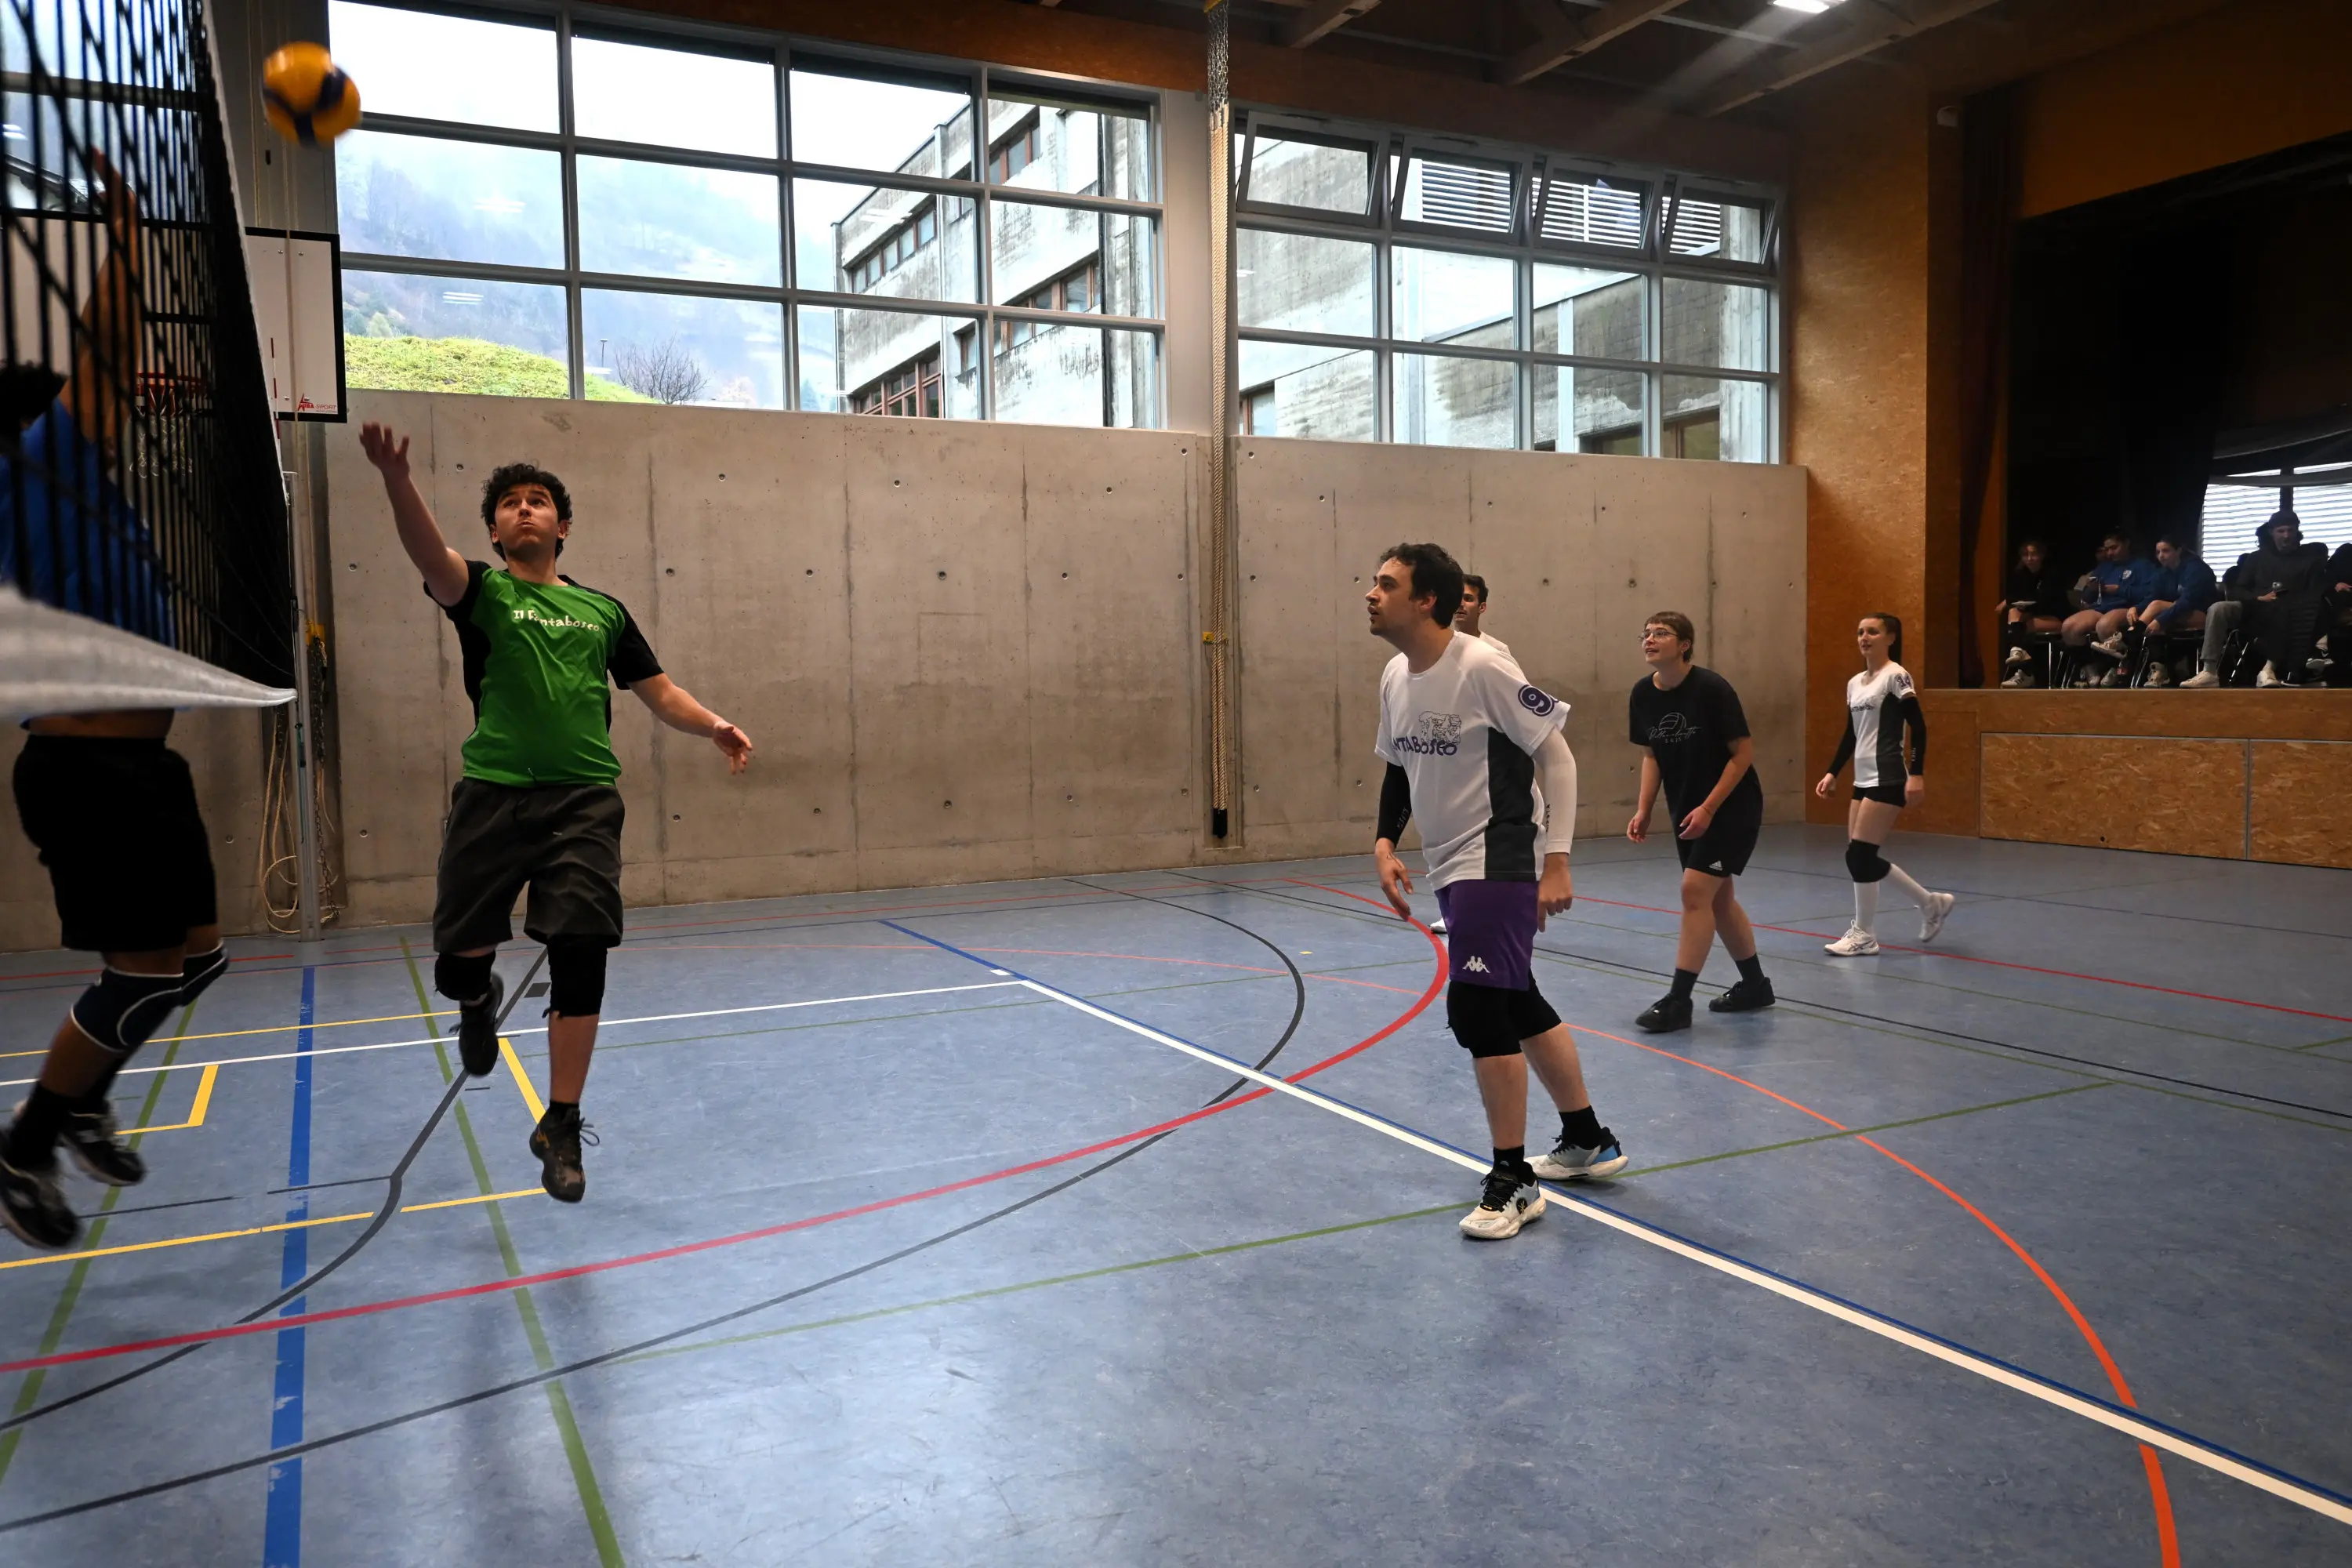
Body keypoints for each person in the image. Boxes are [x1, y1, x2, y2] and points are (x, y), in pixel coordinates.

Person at [360, 423, 753, 1203]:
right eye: (511, 504)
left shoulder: (603, 611)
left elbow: (660, 691)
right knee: (460, 952)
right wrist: (397, 479)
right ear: (497, 529)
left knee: (582, 949)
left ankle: (561, 1120)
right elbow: (427, 557)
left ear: (562, 525)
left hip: (583, 800)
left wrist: (711, 723)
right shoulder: (481, 592)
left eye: (539, 501)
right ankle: (475, 999)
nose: (526, 511)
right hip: (493, 795)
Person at [1, 165, 229, 1251]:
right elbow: (93, 355)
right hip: (90, 770)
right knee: (142, 974)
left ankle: (78, 1098)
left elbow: (99, 379)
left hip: (142, 767)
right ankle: (28, 1141)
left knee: (196, 961)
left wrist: (136, 393)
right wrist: (130, 231)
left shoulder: (80, 497)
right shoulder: (39, 471)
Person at [1367, 542, 1624, 1241]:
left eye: (1386, 584)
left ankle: (1514, 1177)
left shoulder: (1482, 666)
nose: (1371, 593)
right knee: (1516, 998)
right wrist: (1387, 843)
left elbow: (1557, 754)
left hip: (1501, 852)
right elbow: (1397, 768)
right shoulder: (1395, 673)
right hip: (1448, 860)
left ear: (1427, 600)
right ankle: (1588, 1139)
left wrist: (1559, 861)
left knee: (1479, 1011)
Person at [1625, 611, 1773, 1033]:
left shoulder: (1712, 689)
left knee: (1694, 891)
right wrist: (1644, 808)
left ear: (1684, 644)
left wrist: (1709, 809)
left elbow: (1743, 754)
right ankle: (1756, 985)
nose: (1650, 640)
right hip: (1686, 808)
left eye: (1661, 633)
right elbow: (1651, 755)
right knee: (1718, 900)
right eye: (1646, 633)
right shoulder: (1642, 694)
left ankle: (1678, 1001)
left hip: (1731, 806)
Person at [1813, 614, 1955, 956]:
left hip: (1888, 775)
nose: (1864, 637)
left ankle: (1866, 933)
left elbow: (1918, 727)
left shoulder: (1896, 675)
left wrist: (1917, 773)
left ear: (1890, 637)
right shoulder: (1854, 683)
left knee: (1860, 856)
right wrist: (1833, 771)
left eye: (1873, 632)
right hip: (1862, 779)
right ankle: (1928, 904)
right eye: (1860, 631)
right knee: (1859, 857)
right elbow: (1852, 734)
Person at [2181, 511, 2329, 689]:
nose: (2286, 535)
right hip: (2254, 609)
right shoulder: (2256, 558)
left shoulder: (2309, 559)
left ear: (2297, 531)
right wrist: (2257, 598)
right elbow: (2237, 589)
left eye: (2290, 530)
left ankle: (2268, 670)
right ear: (2272, 532)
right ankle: (2209, 671)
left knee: (2288, 609)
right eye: (2281, 531)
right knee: (2219, 608)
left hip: (2290, 613)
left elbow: (2315, 591)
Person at [2060, 531, 2155, 686]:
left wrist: (2118, 589)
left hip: (2128, 608)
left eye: (2114, 548)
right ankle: (2090, 668)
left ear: (2126, 544)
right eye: (2107, 549)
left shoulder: (2143, 566)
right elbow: (2087, 597)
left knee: (2105, 625)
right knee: (2069, 627)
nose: (2110, 553)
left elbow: (2148, 593)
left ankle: (2118, 668)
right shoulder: (2104, 568)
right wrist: (2091, 589)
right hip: (2101, 607)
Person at [2132, 532, 2220, 688]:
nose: (2161, 556)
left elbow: (2188, 601)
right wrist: (2135, 608)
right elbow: (2151, 596)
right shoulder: (2163, 573)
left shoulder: (2196, 568)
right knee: (2156, 612)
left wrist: (2160, 620)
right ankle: (2159, 669)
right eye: (2158, 552)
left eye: (2166, 551)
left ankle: (2130, 638)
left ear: (2179, 550)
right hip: (2177, 613)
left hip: (2204, 615)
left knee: (2158, 608)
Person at [1996, 539, 2067, 688]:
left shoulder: (2052, 573)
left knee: (2023, 626)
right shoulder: (2021, 573)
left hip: (2056, 617)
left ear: (2041, 555)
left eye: (2033, 554)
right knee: (2014, 613)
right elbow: (2015, 595)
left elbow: (2049, 602)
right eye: (2025, 555)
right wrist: (2009, 602)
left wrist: (2025, 605)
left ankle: (2024, 671)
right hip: (2032, 615)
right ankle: (2019, 655)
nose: (2029, 559)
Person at [1455, 573, 1510, 659]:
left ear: (1482, 607)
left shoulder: (1498, 649)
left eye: (1468, 599)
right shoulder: (1441, 646)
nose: (1460, 604)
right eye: (1457, 598)